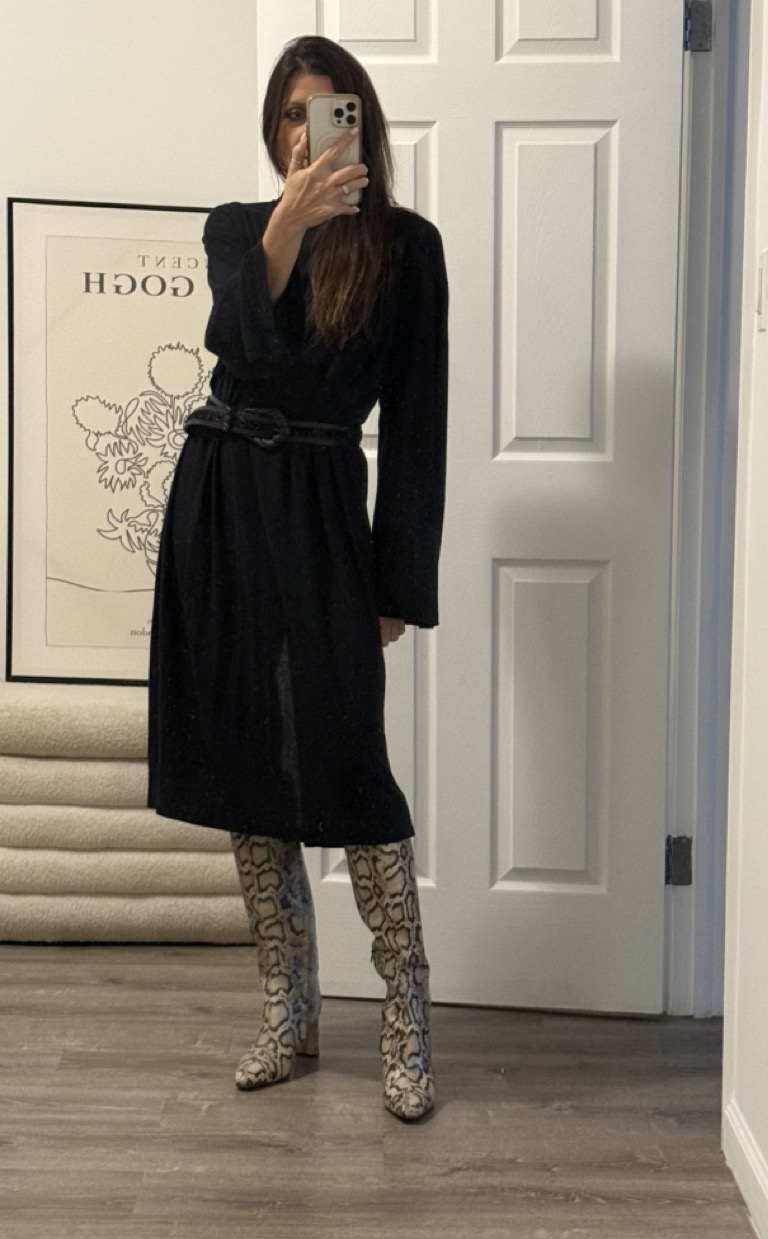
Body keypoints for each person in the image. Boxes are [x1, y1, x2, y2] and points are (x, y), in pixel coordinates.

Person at [146, 34, 448, 1121]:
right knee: (244, 754)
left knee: (348, 759)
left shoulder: (407, 250)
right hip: (222, 498)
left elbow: (417, 424)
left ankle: (407, 1012)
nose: (305, 135)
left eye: (327, 113)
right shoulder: (239, 229)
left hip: (321, 512)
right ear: (275, 133)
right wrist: (286, 225)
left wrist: (395, 584)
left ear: (360, 125)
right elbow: (240, 342)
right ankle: (290, 1007)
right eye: (289, 116)